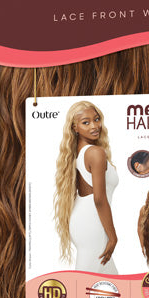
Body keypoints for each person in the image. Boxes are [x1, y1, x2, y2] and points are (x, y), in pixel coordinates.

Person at [54, 101, 118, 273]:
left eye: (96, 119)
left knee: (111, 279)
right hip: (93, 223)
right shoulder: (95, 153)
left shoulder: (79, 152)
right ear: (75, 127)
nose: (94, 126)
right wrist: (113, 237)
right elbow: (99, 198)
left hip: (85, 220)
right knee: (84, 282)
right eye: (86, 122)